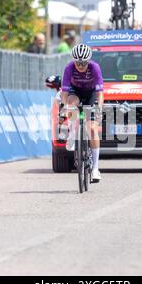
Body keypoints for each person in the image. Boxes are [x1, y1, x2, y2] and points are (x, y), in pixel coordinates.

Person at [60, 44, 104, 182]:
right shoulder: (69, 68)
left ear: (88, 61)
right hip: (75, 92)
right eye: (78, 63)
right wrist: (63, 109)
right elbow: (65, 93)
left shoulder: (94, 67)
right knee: (71, 103)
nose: (80, 66)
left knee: (92, 129)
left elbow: (100, 93)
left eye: (83, 63)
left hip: (90, 94)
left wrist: (99, 108)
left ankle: (95, 168)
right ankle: (73, 133)